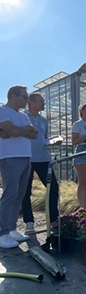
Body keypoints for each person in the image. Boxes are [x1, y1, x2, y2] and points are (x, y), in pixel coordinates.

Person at [0, 85, 38, 248]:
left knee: (20, 194)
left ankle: (12, 229)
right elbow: (14, 131)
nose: (26, 99)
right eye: (24, 97)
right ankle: (2, 233)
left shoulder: (23, 116)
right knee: (10, 194)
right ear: (13, 96)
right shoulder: (3, 111)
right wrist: (24, 129)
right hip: (9, 158)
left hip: (25, 158)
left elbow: (34, 135)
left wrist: (17, 130)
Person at [22, 93, 62, 234]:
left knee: (53, 188)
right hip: (27, 158)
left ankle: (54, 220)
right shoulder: (23, 117)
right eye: (41, 101)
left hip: (44, 159)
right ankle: (29, 223)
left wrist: (52, 141)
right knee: (26, 191)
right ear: (32, 103)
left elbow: (44, 139)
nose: (43, 104)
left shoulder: (44, 120)